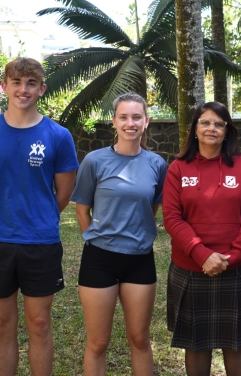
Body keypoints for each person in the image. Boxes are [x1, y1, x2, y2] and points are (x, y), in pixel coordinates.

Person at [0, 57, 79, 376]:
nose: (22, 89)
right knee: (1, 324)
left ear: (42, 88)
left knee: (39, 323)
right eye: (16, 82)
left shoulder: (58, 136)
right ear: (4, 87)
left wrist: (39, 218)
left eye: (30, 83)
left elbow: (64, 193)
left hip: (40, 242)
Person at [163, 101, 241, 376]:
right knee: (196, 346)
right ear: (195, 129)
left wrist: (232, 257)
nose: (212, 128)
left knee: (237, 344)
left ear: (227, 131)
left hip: (237, 269)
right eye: (205, 122)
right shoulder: (177, 168)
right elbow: (173, 219)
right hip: (191, 269)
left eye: (219, 124)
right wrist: (202, 254)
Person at [70, 93, 167, 376]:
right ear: (114, 121)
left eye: (136, 117)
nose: (130, 123)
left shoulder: (156, 164)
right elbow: (82, 210)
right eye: (123, 117)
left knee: (139, 339)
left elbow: (154, 206)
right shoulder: (94, 161)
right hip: (99, 260)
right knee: (98, 343)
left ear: (146, 122)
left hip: (139, 259)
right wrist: (99, 240)